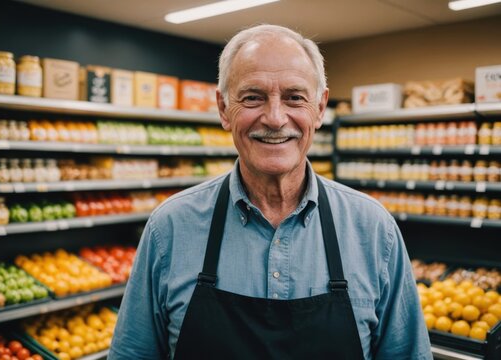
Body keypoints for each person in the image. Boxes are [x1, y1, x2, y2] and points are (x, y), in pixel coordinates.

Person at [108, 24, 432, 359]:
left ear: (319, 108)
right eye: (253, 97)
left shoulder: (374, 230)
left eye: (295, 97)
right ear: (223, 109)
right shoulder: (170, 228)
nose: (275, 118)